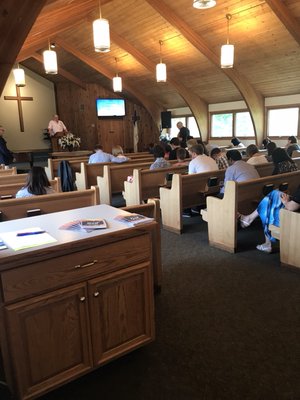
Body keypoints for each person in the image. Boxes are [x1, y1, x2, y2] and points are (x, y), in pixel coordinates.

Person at [239, 186, 300, 253]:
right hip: (296, 215)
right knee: (274, 195)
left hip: (296, 221)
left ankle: (249, 219)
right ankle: (249, 219)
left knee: (270, 204)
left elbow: (291, 207)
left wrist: (285, 202)